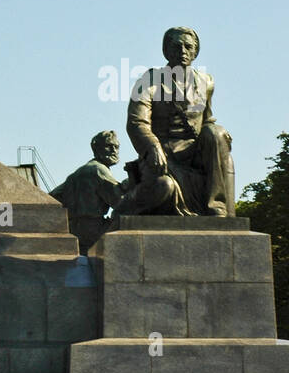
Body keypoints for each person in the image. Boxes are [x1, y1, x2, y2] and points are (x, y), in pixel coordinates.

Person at [116, 27, 235, 217]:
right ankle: (128, 205)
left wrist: (220, 136)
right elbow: (137, 122)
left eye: (188, 47)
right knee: (164, 187)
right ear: (166, 50)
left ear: (195, 52)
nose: (183, 51)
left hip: (194, 153)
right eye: (176, 46)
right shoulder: (149, 80)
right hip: (163, 155)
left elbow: (206, 121)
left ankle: (217, 209)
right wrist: (153, 146)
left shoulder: (206, 82)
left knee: (216, 133)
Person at [50, 130, 127, 252]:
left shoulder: (77, 173)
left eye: (116, 146)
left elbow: (52, 197)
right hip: (94, 231)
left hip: (72, 230)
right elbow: (121, 202)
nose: (114, 150)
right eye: (108, 146)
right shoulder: (99, 170)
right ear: (97, 149)